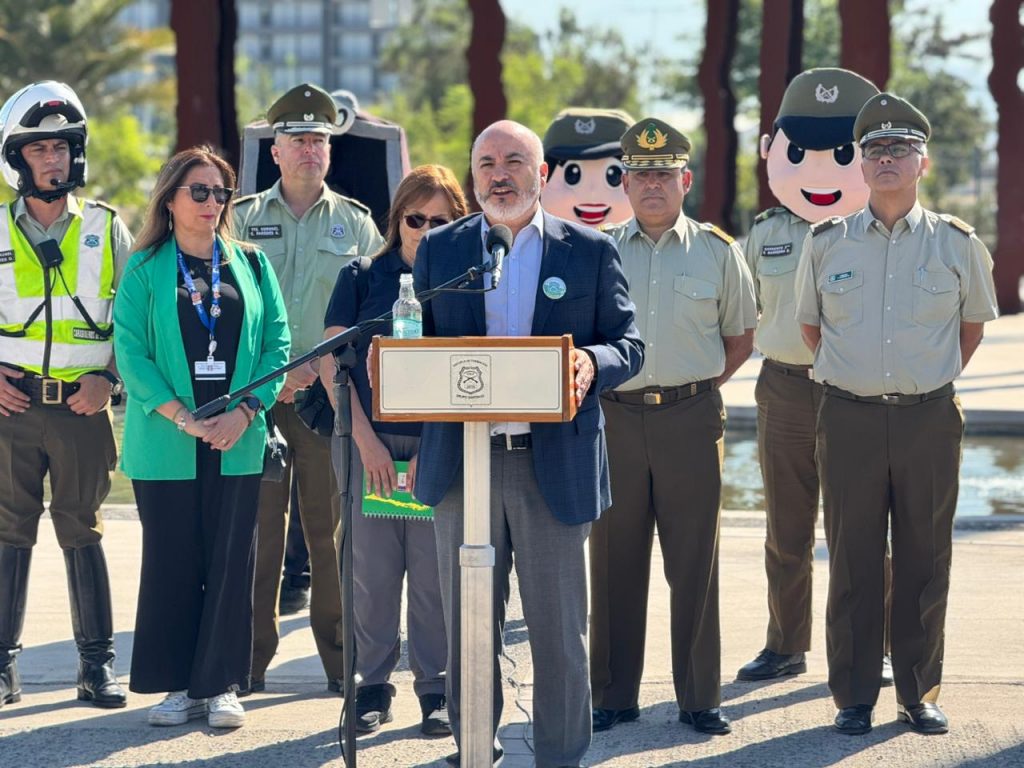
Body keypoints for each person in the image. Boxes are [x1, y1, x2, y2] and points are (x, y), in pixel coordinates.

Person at [412, 120, 643, 768]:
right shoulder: (441, 250)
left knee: (559, 633)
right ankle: (474, 751)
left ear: (541, 175)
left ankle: (561, 756)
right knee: (469, 628)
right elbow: (417, 347)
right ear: (473, 175)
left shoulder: (589, 250)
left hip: (552, 468)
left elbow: (629, 344)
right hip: (464, 464)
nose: (499, 174)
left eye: (515, 161)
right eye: (486, 163)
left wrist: (590, 365)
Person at [794, 93, 998, 736]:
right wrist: (861, 380)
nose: (887, 159)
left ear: (923, 162)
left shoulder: (958, 244)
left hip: (928, 419)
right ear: (859, 163)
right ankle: (853, 694)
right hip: (848, 416)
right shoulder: (826, 242)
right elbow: (810, 328)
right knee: (852, 557)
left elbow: (971, 329)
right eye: (876, 149)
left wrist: (922, 379)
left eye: (901, 149)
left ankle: (918, 691)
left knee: (924, 555)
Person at [589, 118, 756, 736]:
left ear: (685, 180)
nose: (653, 184)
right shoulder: (598, 249)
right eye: (641, 174)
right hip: (614, 417)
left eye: (664, 174)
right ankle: (612, 694)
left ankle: (698, 696)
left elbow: (740, 335)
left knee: (695, 562)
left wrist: (700, 386)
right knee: (613, 560)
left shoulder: (718, 251)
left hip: (689, 416)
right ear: (624, 183)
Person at [113, 146, 290, 728]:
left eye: (221, 193)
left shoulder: (254, 265)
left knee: (231, 560)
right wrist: (184, 419)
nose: (213, 203)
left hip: (236, 438)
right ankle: (176, 687)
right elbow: (131, 356)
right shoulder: (144, 269)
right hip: (167, 439)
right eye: (200, 192)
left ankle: (220, 687)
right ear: (170, 198)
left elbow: (278, 348)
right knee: (173, 562)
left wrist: (244, 412)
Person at [737, 68, 897, 686]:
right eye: (801, 151)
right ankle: (785, 643)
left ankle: (871, 645)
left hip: (858, 390)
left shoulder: (877, 235)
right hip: (786, 387)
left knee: (861, 524)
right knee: (786, 525)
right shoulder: (767, 235)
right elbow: (740, 311)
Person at [233, 83, 383, 693]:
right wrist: (271, 373)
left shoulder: (356, 223)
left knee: (331, 533)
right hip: (257, 399)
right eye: (297, 140)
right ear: (275, 150)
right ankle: (246, 665)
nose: (309, 151)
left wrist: (321, 369)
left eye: (319, 140)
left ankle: (340, 664)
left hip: (328, 398)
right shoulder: (240, 218)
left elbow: (375, 310)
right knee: (258, 532)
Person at [321, 164, 468, 736]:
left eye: (440, 220)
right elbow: (334, 363)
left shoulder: (466, 281)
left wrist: (438, 448)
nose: (425, 229)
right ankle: (372, 686)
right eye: (415, 217)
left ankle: (435, 688)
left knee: (433, 577)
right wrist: (368, 446)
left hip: (437, 446)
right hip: (369, 443)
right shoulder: (361, 275)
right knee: (372, 575)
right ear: (396, 219)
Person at [0, 81, 133, 710]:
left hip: (82, 410)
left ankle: (96, 668)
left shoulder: (108, 228)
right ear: (17, 159)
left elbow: (138, 322)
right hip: (11, 408)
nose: (52, 159)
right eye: (38, 149)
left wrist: (110, 379)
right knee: (8, 530)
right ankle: (3, 668)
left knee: (83, 528)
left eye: (61, 147)